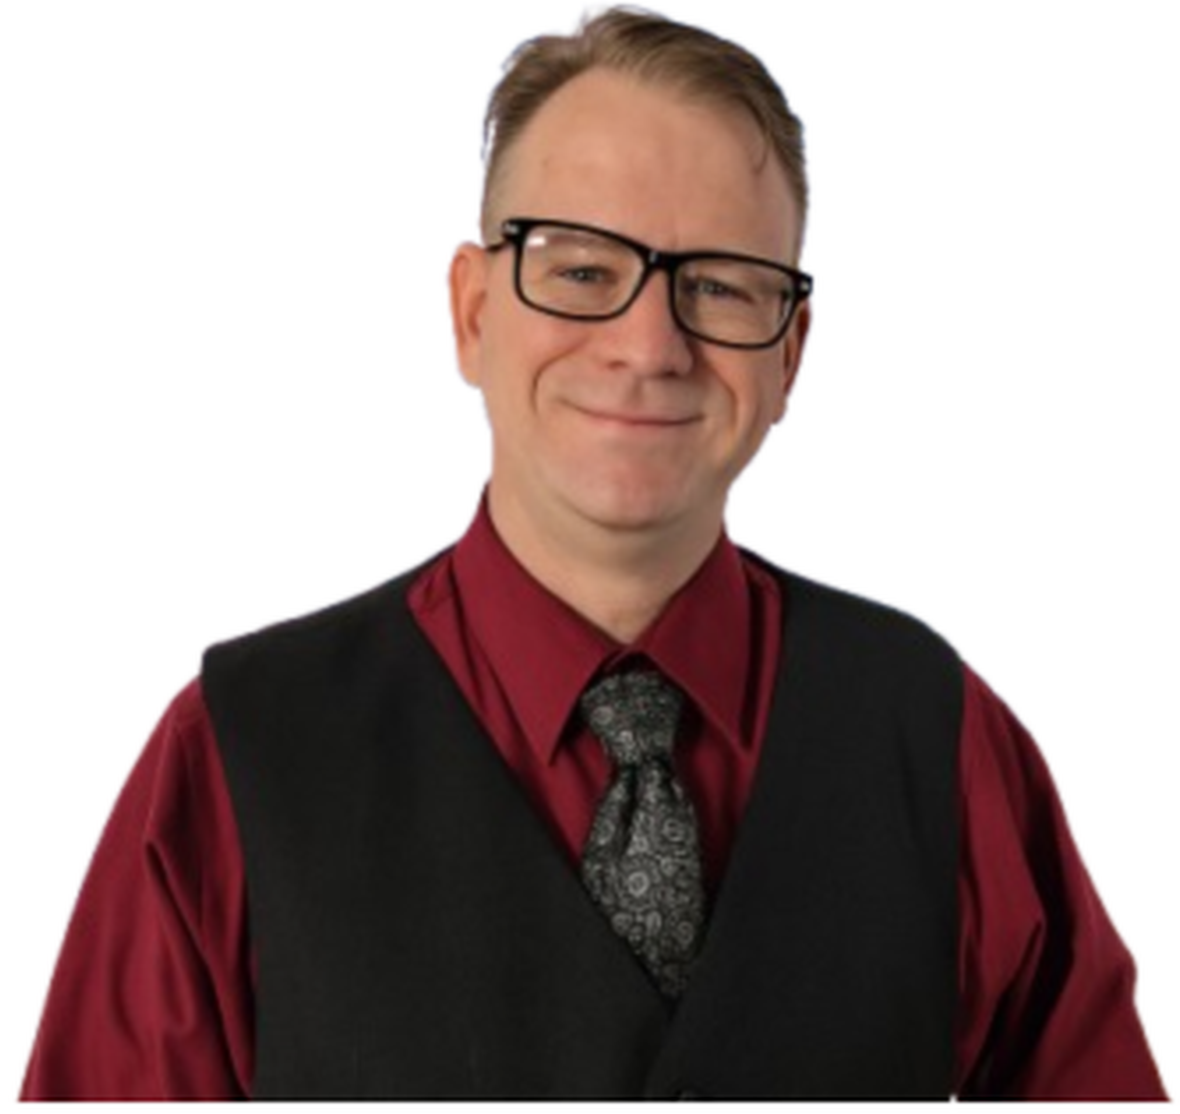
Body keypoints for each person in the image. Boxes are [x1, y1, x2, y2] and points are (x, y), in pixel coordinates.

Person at [20, 8, 1166, 1101]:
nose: (647, 344)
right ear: (471, 314)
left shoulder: (941, 735)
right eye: (579, 270)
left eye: (717, 284)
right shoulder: (231, 758)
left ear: (791, 355)